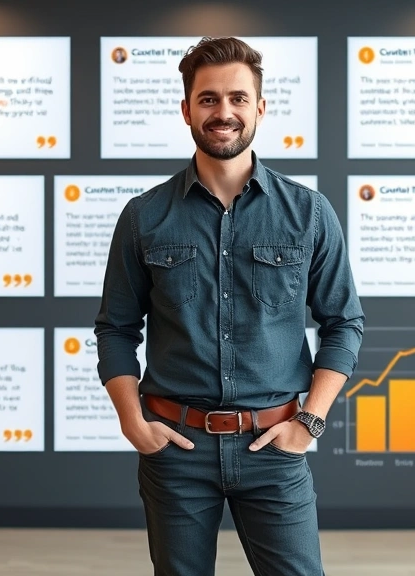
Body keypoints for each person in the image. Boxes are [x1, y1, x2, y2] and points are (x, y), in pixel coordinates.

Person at [94, 36, 365, 576]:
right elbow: (116, 330)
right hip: (175, 450)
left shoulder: (308, 212)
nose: (224, 112)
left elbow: (344, 322)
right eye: (209, 99)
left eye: (238, 99)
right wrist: (133, 422)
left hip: (275, 447)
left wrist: (309, 421)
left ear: (260, 108)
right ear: (187, 110)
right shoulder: (143, 216)